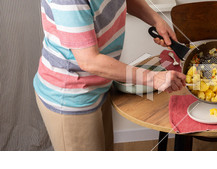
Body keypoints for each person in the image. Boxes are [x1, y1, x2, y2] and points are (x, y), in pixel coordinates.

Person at [33, 0, 185, 150]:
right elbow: (89, 61)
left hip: (100, 83)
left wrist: (156, 20)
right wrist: (154, 78)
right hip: (71, 94)